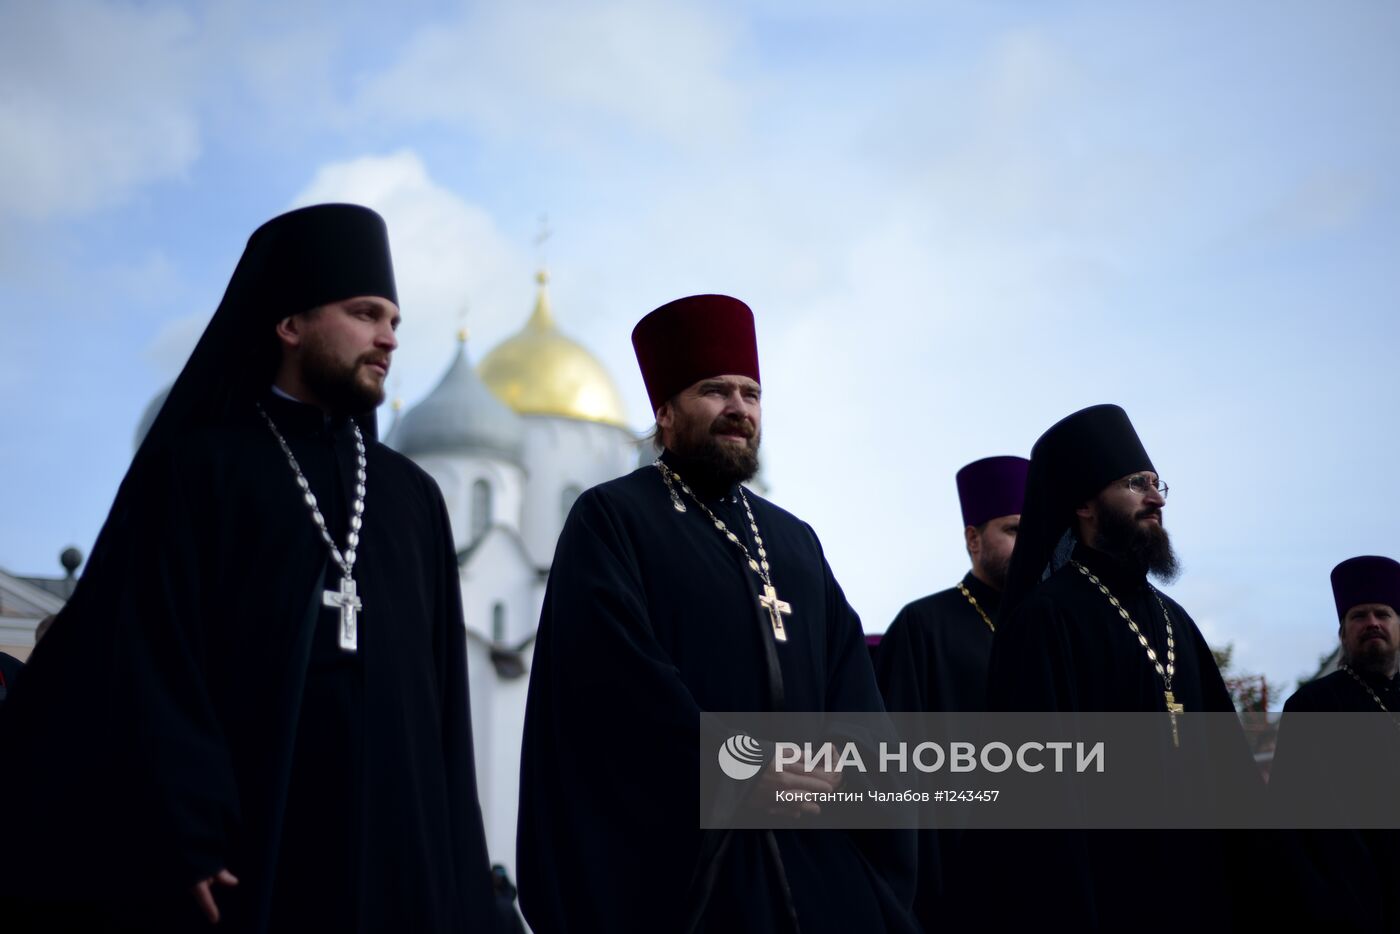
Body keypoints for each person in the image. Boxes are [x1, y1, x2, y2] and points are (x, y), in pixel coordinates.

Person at [0, 204, 495, 932]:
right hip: (248, 852)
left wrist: (460, 876)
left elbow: (446, 705)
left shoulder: (412, 497)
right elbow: (143, 657)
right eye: (365, 313)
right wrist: (183, 825)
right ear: (289, 324)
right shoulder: (199, 469)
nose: (389, 336)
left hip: (397, 859)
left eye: (394, 319)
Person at [516, 294, 917, 933]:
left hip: (818, 863)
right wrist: (736, 765)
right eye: (715, 391)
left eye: (751, 394)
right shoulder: (613, 518)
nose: (739, 409)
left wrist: (845, 766)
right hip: (690, 873)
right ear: (666, 413)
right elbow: (613, 682)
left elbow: (852, 684)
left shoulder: (794, 540)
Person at [983, 403, 1259, 932]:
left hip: (1207, 896)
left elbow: (1233, 778)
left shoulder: (1176, 620)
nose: (1156, 498)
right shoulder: (1045, 622)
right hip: (1107, 900)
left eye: (1158, 484)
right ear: (1084, 503)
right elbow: (1037, 804)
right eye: (1136, 483)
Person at [873, 454, 1026, 929]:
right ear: (973, 539)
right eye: (1014, 531)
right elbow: (894, 772)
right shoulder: (922, 626)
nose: (1030, 545)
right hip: (956, 881)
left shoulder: (1051, 625)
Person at [1270, 555, 1400, 932]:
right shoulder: (1312, 706)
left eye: (1383, 613)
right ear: (1343, 633)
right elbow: (1292, 824)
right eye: (1359, 616)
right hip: (1351, 904)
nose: (1372, 623)